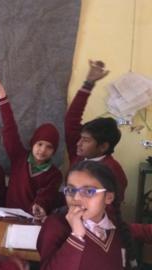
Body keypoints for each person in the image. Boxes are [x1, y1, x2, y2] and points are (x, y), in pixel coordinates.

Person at [0, 66, 62, 218]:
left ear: (54, 151)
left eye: (49, 147)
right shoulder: (19, 157)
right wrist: (1, 93)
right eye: (39, 144)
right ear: (33, 143)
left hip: (31, 220)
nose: (42, 150)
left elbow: (47, 196)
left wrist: (39, 205)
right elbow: (10, 128)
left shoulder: (55, 174)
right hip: (6, 215)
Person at [37, 161, 137, 270]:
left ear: (108, 197)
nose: (76, 198)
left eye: (88, 191)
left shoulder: (117, 228)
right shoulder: (55, 226)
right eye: (70, 190)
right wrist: (77, 235)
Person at [65, 60, 127, 213]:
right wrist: (88, 84)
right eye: (80, 138)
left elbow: (111, 210)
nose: (78, 143)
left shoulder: (113, 171)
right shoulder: (80, 156)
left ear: (103, 146)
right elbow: (71, 119)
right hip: (69, 215)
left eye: (86, 140)